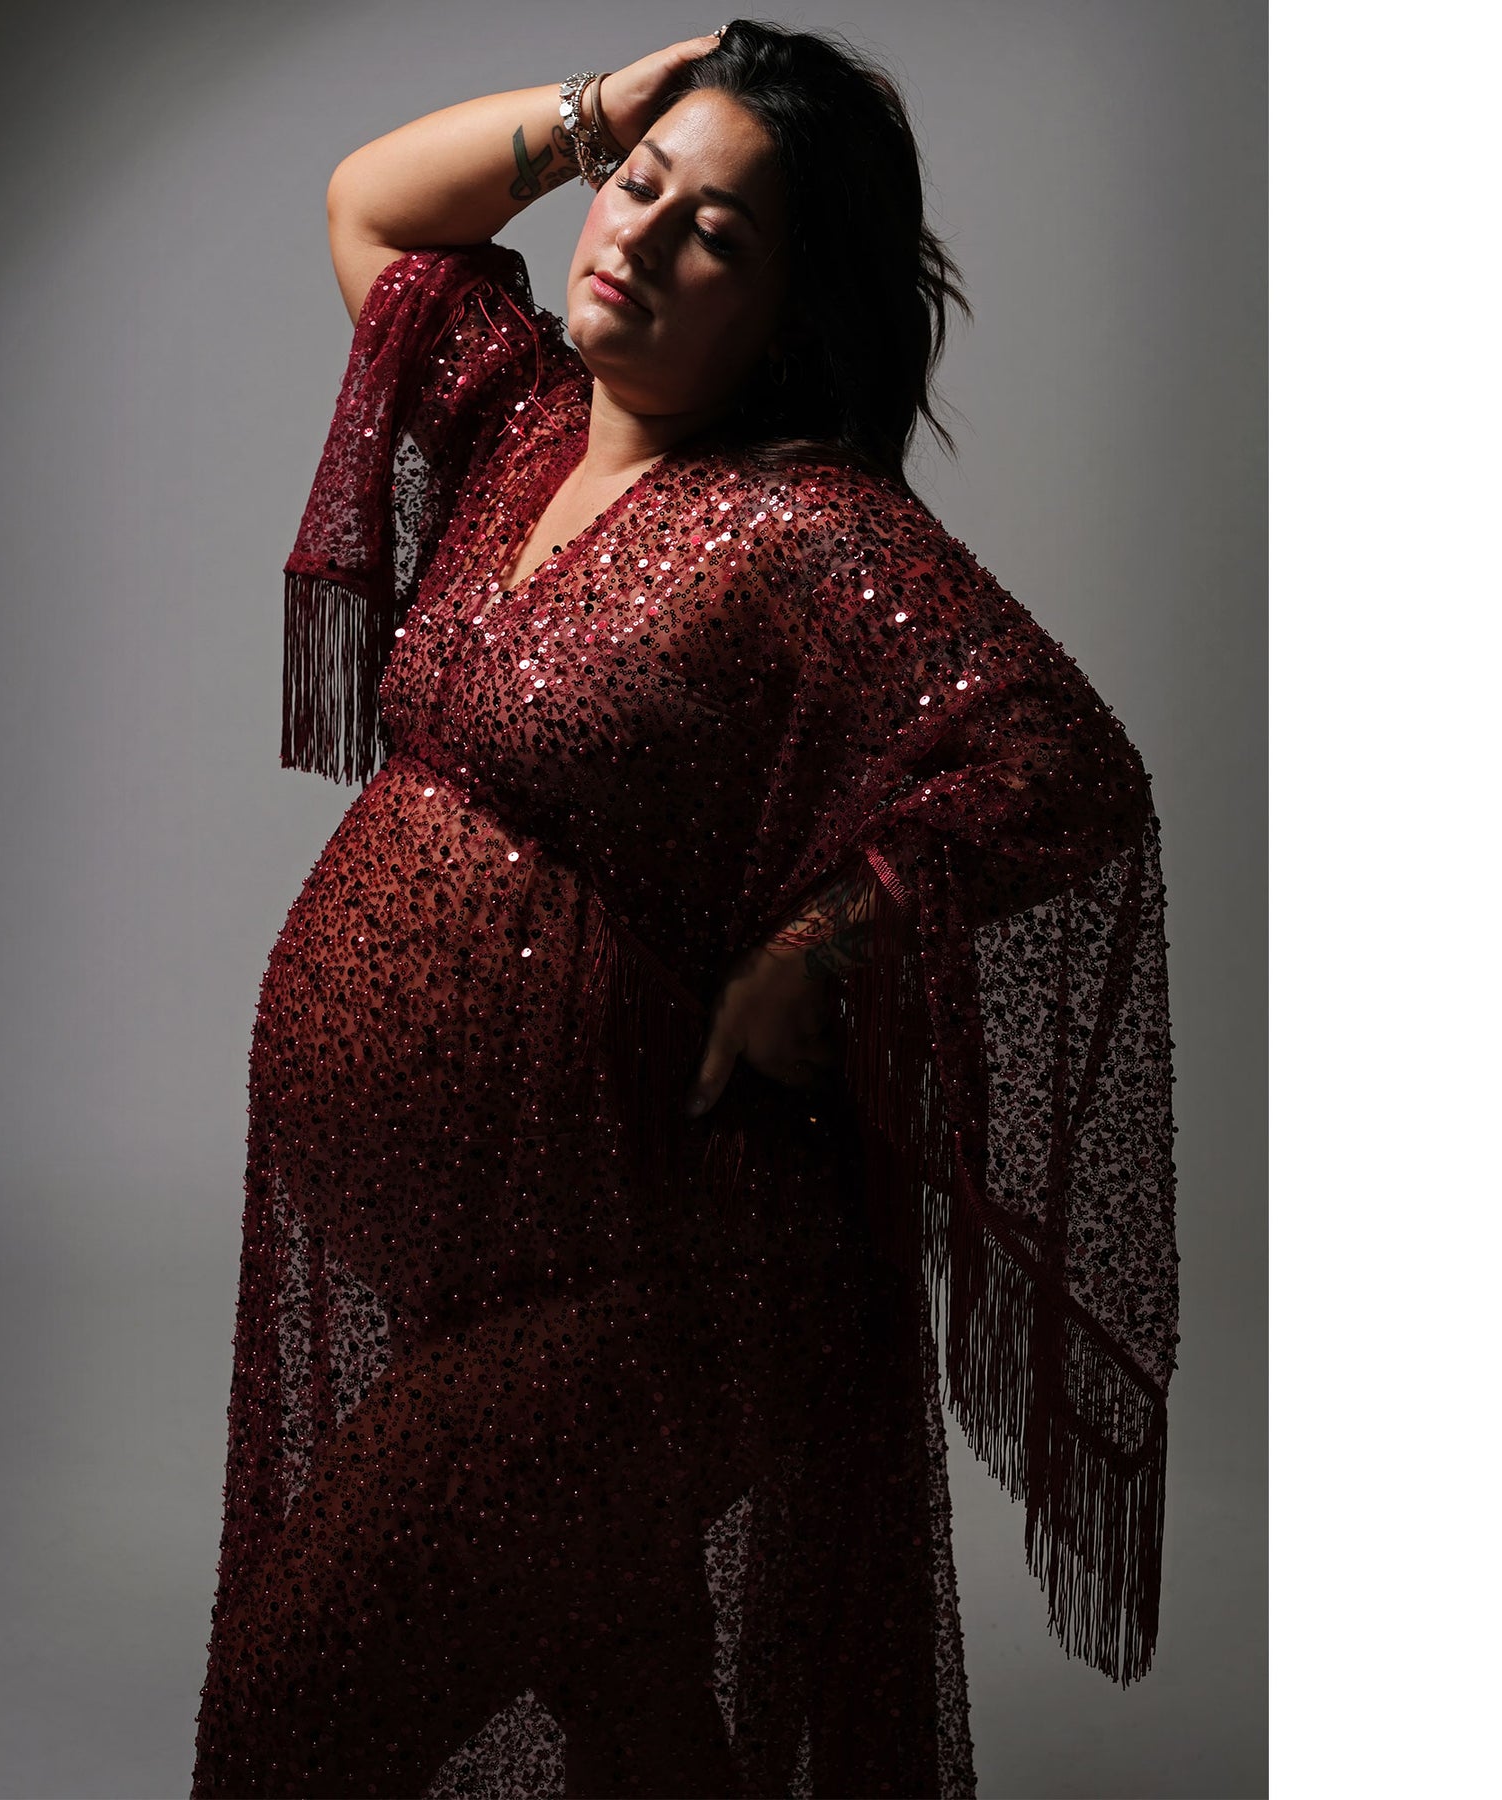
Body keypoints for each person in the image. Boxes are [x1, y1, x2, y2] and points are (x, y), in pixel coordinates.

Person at [190, 21, 1179, 1799]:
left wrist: (833, 936)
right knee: (641, 1718)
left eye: (711, 231)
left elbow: (1064, 769)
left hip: (663, 1272)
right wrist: (605, 109)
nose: (636, 234)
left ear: (789, 315)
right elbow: (371, 207)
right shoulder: (515, 428)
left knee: (299, 1707)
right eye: (636, 190)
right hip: (480, 1263)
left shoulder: (803, 528)